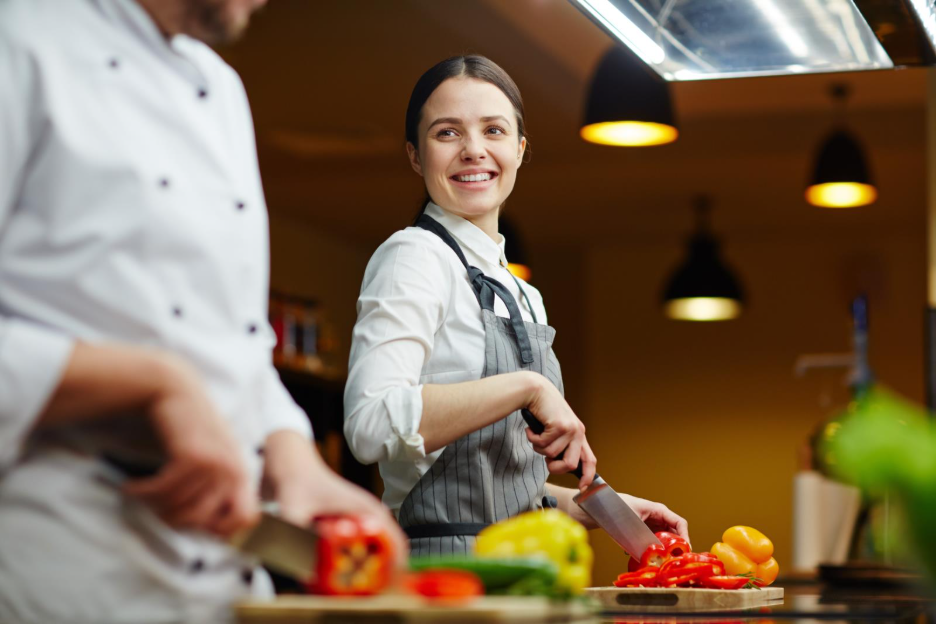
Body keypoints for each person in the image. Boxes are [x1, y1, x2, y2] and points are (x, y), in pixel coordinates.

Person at [0, 0, 404, 622]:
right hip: (58, 578)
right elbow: (177, 365)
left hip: (223, 586)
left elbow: (230, 345)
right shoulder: (18, 36)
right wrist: (154, 382)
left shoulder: (219, 88)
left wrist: (292, 458)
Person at [344, 55, 689, 557]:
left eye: (494, 130)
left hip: (528, 567)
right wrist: (528, 386)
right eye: (447, 133)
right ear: (416, 156)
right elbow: (369, 424)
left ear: (521, 149)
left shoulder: (525, 296)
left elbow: (495, 482)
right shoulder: (414, 256)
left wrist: (599, 506)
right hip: (447, 578)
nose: (474, 150)